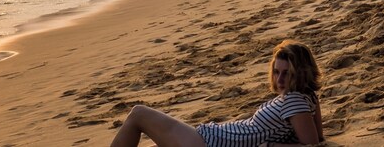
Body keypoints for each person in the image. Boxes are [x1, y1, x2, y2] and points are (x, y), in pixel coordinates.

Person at [109, 40, 323, 147]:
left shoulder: (294, 100)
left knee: (138, 114)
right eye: (276, 72)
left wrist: (269, 145)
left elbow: (312, 145)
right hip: (211, 137)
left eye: (287, 73)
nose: (280, 79)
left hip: (209, 143)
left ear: (301, 72)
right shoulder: (307, 96)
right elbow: (317, 136)